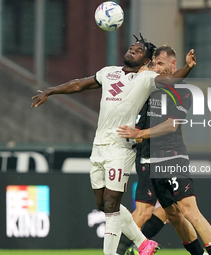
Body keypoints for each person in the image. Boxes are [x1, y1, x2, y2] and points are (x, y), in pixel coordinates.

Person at [31, 35, 197, 255]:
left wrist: (188, 67)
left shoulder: (146, 78)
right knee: (103, 205)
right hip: (99, 145)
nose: (132, 51)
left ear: (146, 59)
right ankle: (143, 242)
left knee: (110, 207)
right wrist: (51, 90)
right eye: (131, 48)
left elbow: (173, 79)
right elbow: (80, 84)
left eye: (138, 51)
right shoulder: (108, 72)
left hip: (121, 146)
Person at [117, 46, 211, 255]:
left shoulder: (182, 92)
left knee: (189, 210)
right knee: (173, 215)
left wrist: (139, 134)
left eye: (161, 64)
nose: (156, 68)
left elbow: (171, 125)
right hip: (150, 161)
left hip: (172, 157)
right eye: (154, 64)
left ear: (173, 65)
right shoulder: (149, 90)